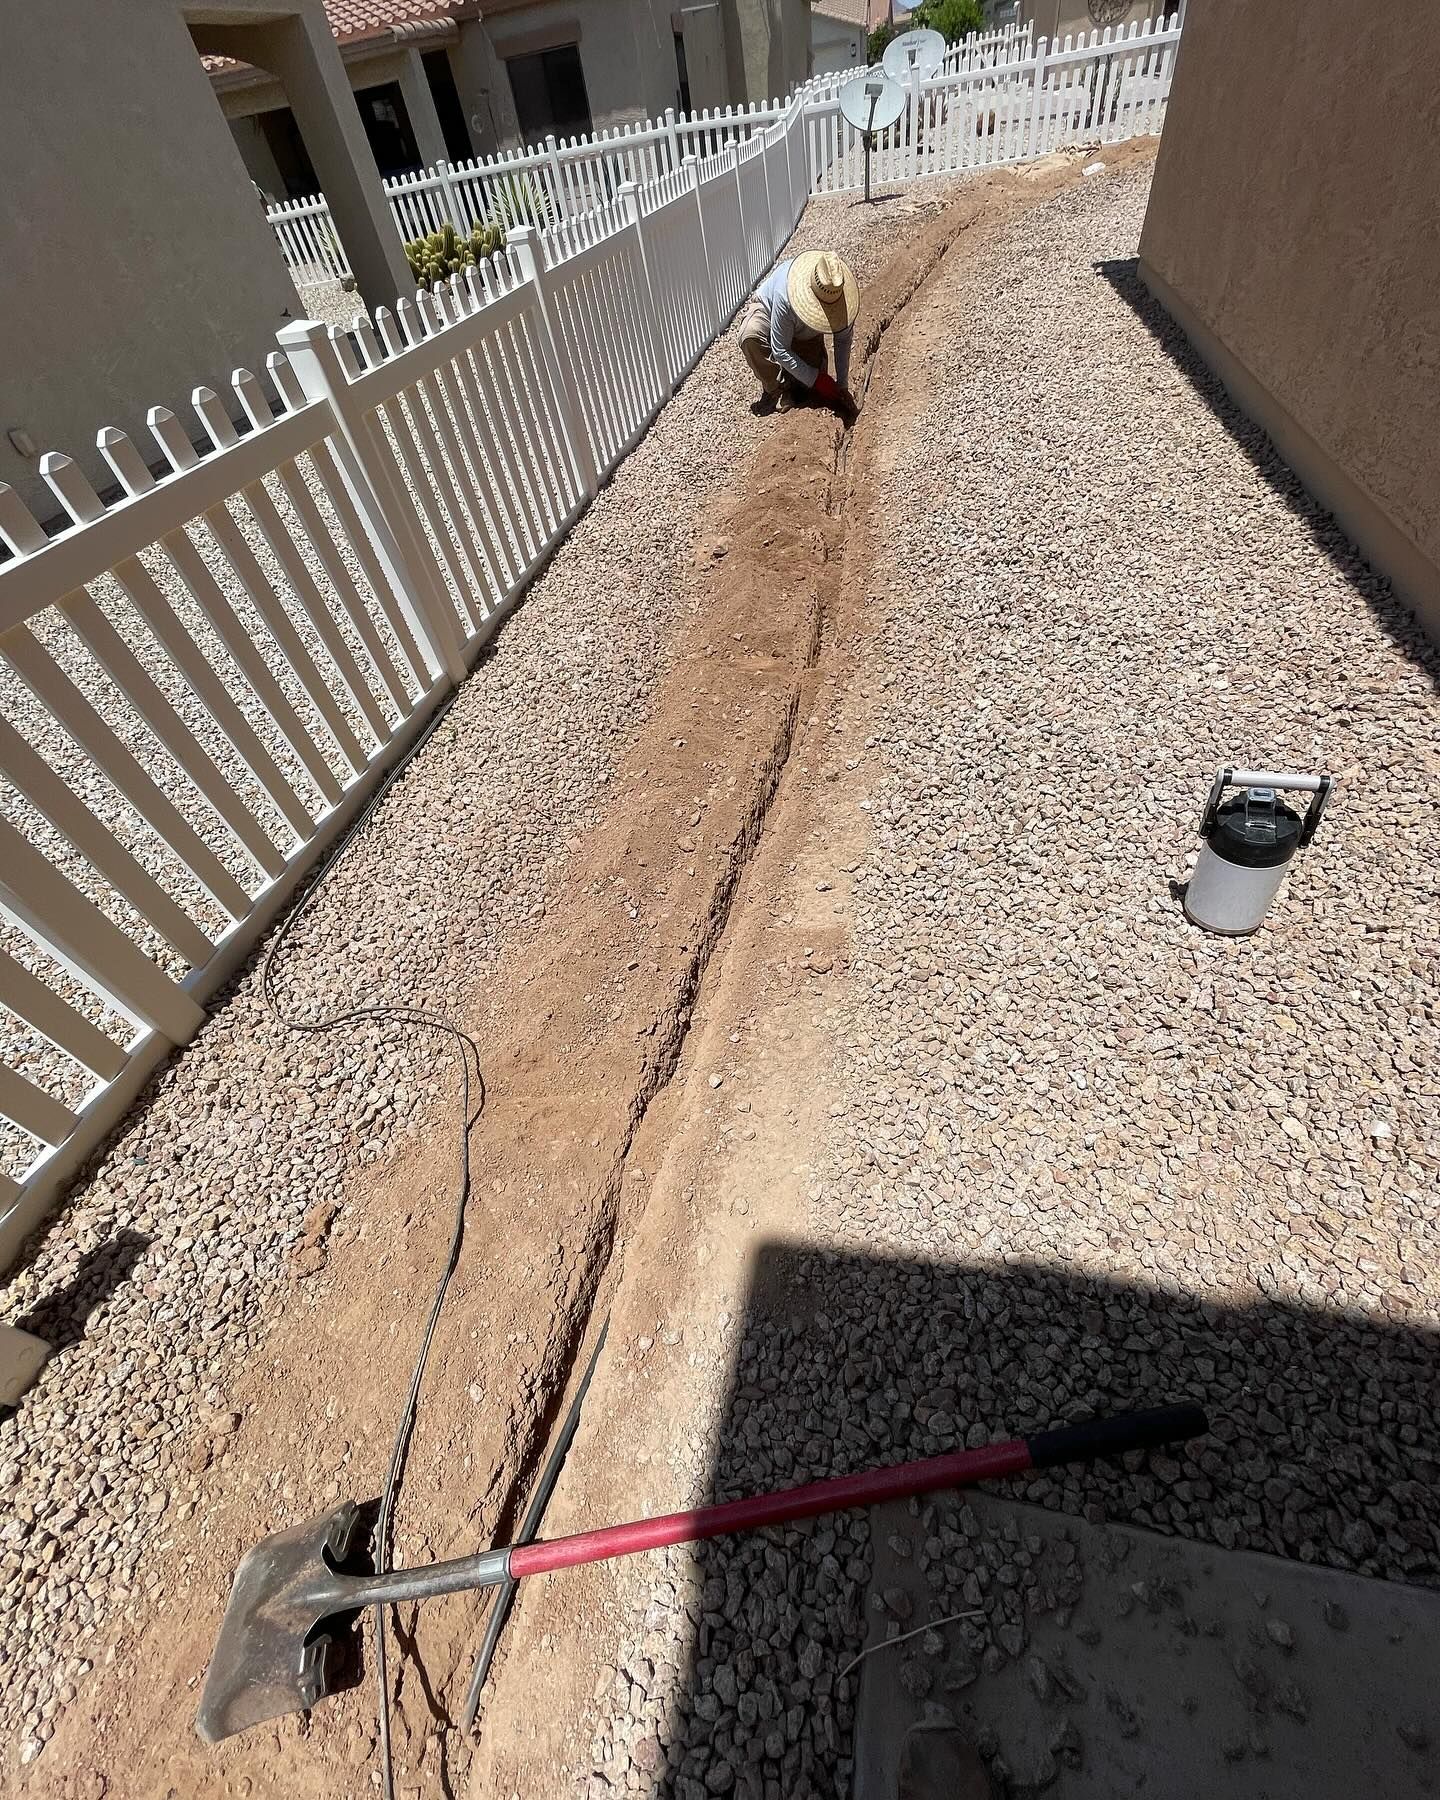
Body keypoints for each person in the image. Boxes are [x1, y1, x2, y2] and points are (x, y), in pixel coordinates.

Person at [738, 251, 860, 421]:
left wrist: (842, 384)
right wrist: (815, 378)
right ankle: (777, 389)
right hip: (770, 309)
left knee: (807, 390)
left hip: (803, 332)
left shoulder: (839, 295)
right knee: (749, 335)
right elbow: (780, 349)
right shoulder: (786, 294)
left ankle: (798, 375)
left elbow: (843, 340)